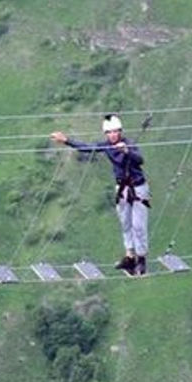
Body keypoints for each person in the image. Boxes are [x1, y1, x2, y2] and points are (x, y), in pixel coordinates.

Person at [51, 114, 150, 276]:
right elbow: (87, 148)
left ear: (120, 131)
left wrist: (126, 151)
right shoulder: (106, 146)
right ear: (106, 134)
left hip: (138, 188)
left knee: (138, 225)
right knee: (125, 224)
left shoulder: (129, 144)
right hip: (122, 189)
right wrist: (66, 140)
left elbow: (139, 160)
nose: (113, 135)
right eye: (110, 133)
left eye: (116, 132)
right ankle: (130, 257)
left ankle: (141, 260)